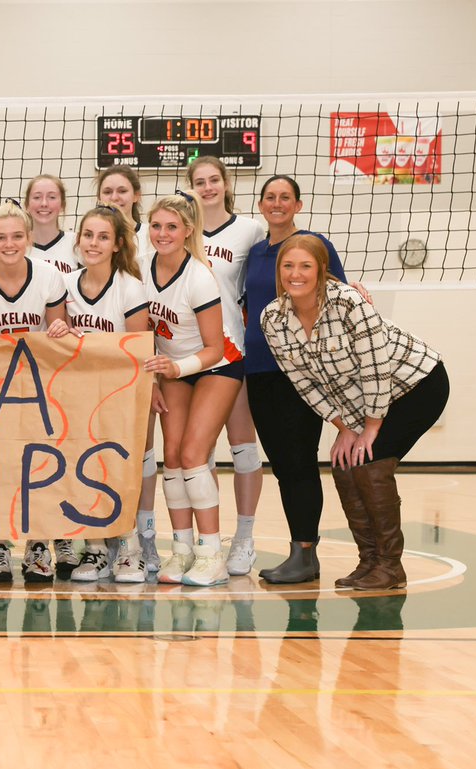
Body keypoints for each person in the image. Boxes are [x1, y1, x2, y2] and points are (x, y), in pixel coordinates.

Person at [261, 234, 448, 590]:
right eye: (288, 266)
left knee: (371, 464)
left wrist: (371, 427)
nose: (295, 274)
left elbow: (374, 365)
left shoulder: (347, 302)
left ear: (321, 270)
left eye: (305, 266)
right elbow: (303, 383)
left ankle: (391, 567)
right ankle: (369, 562)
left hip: (416, 384)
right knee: (346, 466)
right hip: (366, 403)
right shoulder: (273, 318)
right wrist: (344, 427)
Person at [244, 175, 351, 583]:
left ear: (298, 205)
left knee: (299, 460)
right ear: (260, 205)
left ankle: (304, 553)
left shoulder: (313, 246)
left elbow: (338, 297)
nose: (277, 203)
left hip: (300, 369)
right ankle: (300, 551)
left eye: (285, 197)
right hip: (258, 368)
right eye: (270, 197)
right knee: (284, 464)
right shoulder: (255, 253)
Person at [0, 203, 71, 583]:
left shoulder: (50, 277)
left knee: (40, 464)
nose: (9, 244)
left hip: (41, 384)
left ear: (28, 238)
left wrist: (60, 330)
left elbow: (61, 336)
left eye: (17, 236)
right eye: (0, 237)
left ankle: (39, 544)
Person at [143, 190, 244, 587]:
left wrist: (175, 367)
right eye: (156, 225)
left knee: (193, 454)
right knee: (171, 456)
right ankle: (181, 549)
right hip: (173, 369)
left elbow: (215, 347)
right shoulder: (140, 268)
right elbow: (143, 333)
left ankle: (210, 553)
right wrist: (157, 376)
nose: (163, 233)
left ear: (188, 231)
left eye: (172, 227)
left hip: (217, 365)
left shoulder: (200, 276)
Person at [61, 204, 158, 582]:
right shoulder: (65, 284)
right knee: (83, 466)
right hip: (77, 393)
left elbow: (138, 348)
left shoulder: (130, 288)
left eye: (103, 237)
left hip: (120, 393)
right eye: (88, 235)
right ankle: (96, 549)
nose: (94, 243)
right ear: (78, 239)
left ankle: (130, 548)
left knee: (119, 467)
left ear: (118, 244)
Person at [187, 156, 266, 576]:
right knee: (198, 454)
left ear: (226, 182)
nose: (208, 188)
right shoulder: (181, 229)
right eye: (199, 182)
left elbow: (276, 268)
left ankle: (245, 538)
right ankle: (207, 543)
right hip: (187, 352)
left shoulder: (250, 230)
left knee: (244, 450)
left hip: (232, 349)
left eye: (214, 180)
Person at [24, 174, 77, 274]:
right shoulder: (17, 245)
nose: (44, 203)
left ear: (62, 205)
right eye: (37, 197)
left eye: (52, 197)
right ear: (27, 205)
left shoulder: (75, 243)